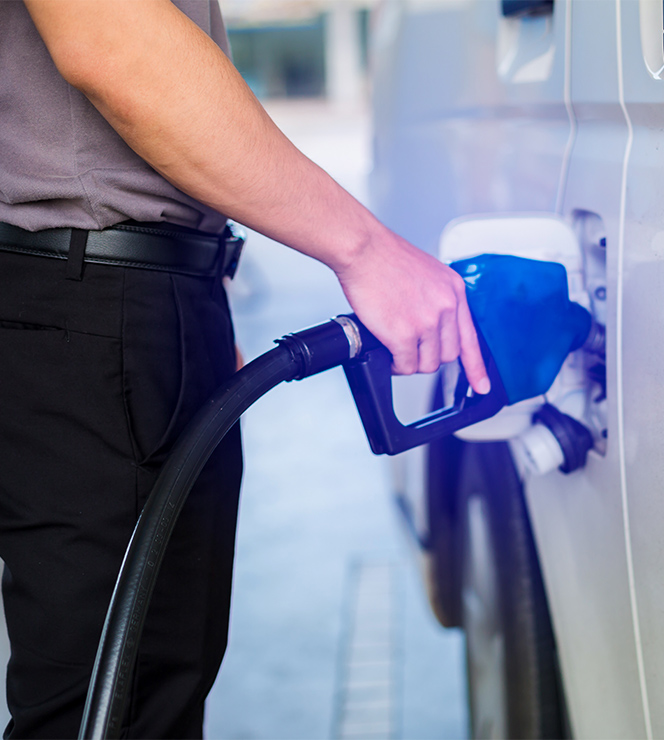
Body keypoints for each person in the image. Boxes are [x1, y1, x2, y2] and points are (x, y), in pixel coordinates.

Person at [0, 0, 489, 736]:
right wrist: (364, 250)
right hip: (92, 300)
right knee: (113, 709)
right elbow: (111, 38)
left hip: (85, 294)